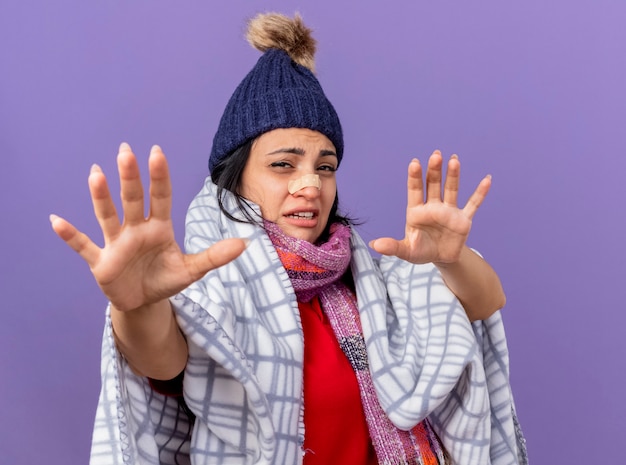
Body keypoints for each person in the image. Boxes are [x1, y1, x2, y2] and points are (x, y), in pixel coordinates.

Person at [51, 12, 527, 465]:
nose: (311, 185)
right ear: (234, 181)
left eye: (325, 166)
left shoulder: (376, 284)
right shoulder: (212, 292)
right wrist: (135, 305)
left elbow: (487, 301)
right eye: (283, 164)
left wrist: (450, 258)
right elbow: (159, 358)